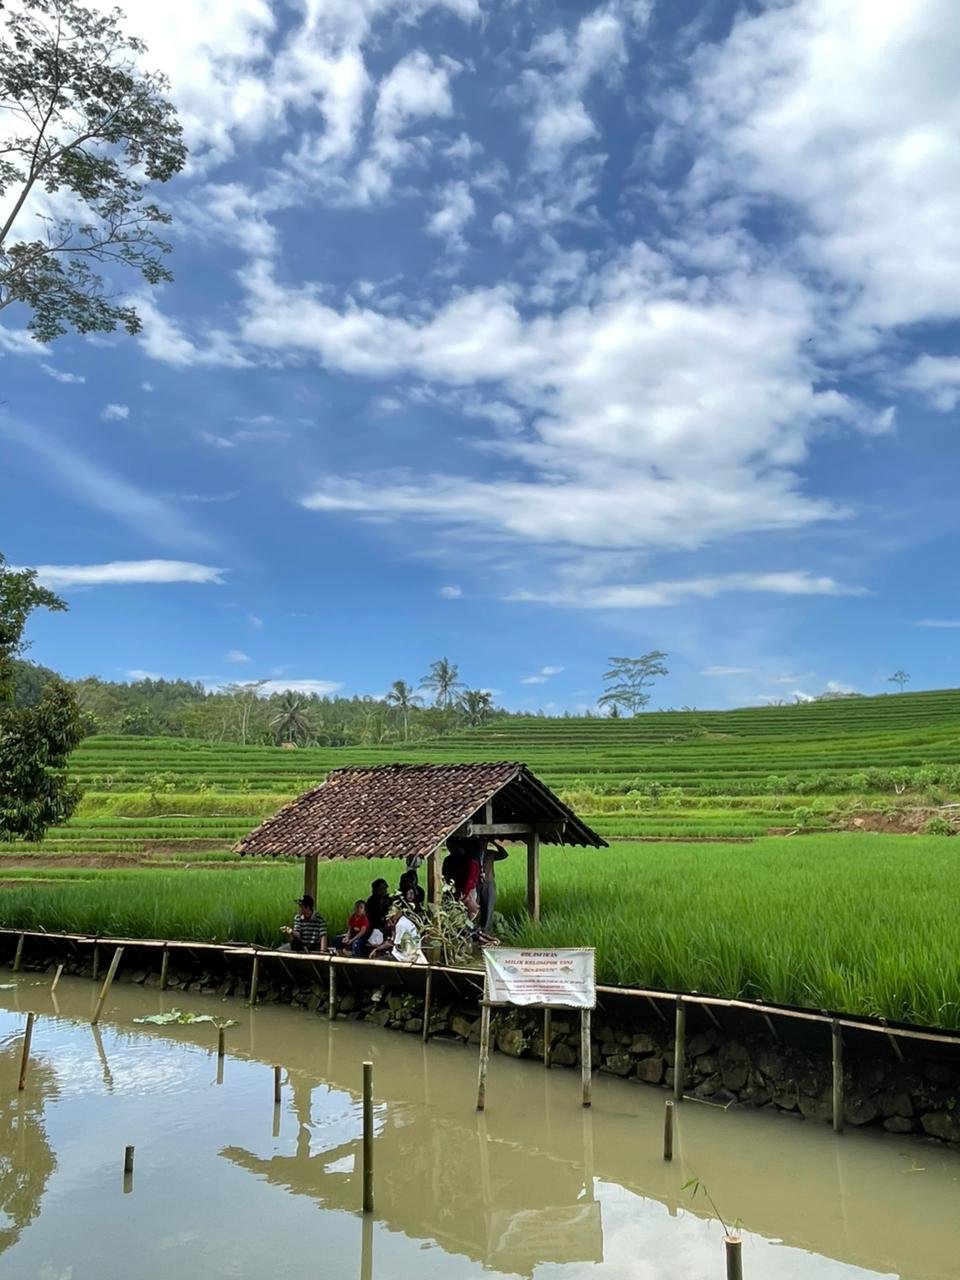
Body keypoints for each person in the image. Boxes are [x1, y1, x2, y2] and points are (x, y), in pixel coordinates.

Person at [352, 878, 391, 957]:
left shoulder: (389, 899)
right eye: (381, 889)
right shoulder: (372, 900)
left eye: (385, 888)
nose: (383, 891)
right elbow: (371, 917)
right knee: (359, 942)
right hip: (372, 927)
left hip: (387, 927)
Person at [479, 840, 508, 937]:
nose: (482, 845)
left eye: (484, 843)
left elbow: (504, 854)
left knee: (489, 906)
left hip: (489, 881)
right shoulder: (474, 853)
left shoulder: (490, 853)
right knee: (478, 906)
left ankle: (487, 931)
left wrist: (496, 844)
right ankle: (478, 930)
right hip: (477, 883)